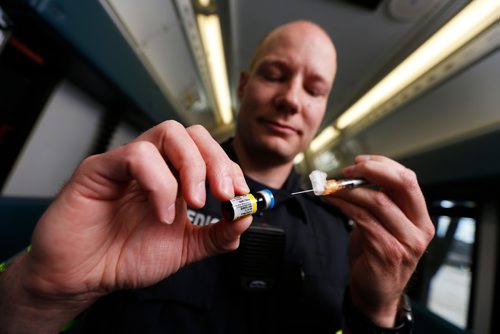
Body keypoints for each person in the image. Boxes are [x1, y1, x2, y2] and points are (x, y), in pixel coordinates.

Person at [0, 20, 435, 333]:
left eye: (314, 90)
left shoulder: (344, 233)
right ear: (244, 86)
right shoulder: (150, 188)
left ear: (321, 113)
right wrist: (37, 294)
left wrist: (378, 315)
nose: (290, 100)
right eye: (274, 74)